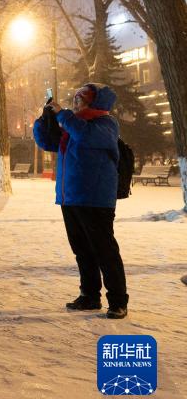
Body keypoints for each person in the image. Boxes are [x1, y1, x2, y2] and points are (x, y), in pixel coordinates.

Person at [33, 83, 128, 319]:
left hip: (95, 198)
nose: (76, 103)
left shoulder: (105, 124)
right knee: (83, 251)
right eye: (74, 99)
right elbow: (47, 142)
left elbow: (84, 136)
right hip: (71, 196)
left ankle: (118, 301)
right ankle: (89, 296)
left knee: (104, 250)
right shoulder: (72, 126)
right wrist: (44, 120)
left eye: (81, 99)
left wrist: (64, 116)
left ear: (95, 102)